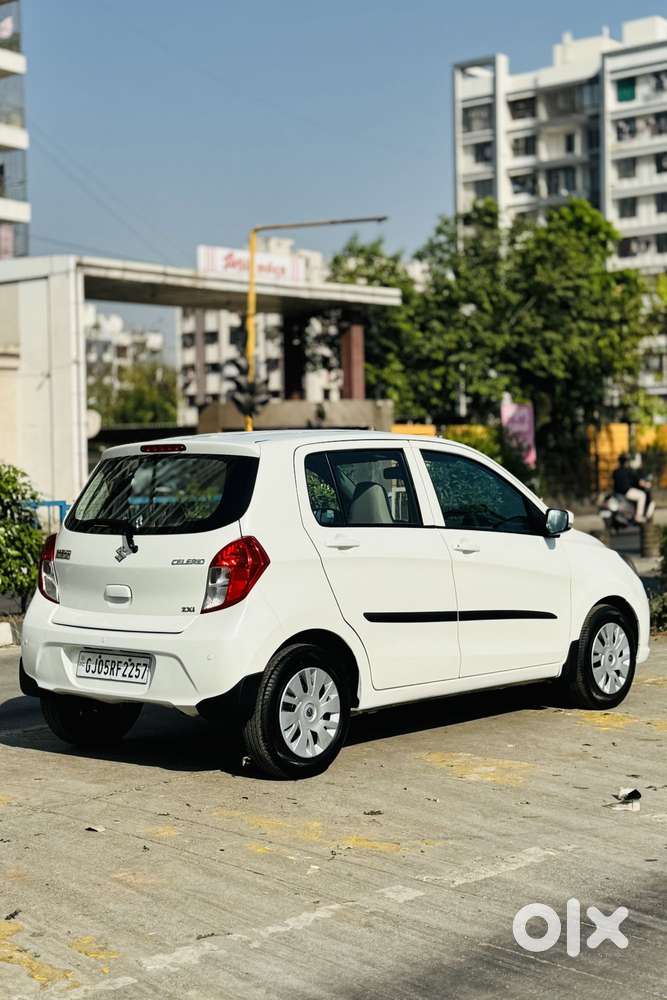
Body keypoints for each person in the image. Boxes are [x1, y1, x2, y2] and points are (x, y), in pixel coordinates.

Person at [612, 453, 653, 523]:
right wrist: (647, 484)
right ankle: (638, 516)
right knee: (642, 495)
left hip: (617, 493)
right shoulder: (628, 470)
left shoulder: (615, 471)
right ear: (626, 462)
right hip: (626, 492)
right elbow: (639, 482)